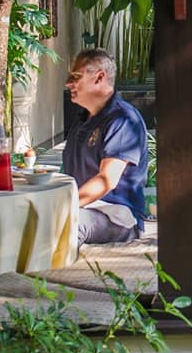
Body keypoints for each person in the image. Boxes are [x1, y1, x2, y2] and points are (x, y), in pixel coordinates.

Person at [62, 49, 149, 248]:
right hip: (82, 206)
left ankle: (51, 278)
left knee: (68, 225)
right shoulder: (83, 119)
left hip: (116, 215)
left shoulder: (123, 119)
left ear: (99, 77)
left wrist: (63, 207)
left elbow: (106, 181)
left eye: (75, 77)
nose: (68, 83)